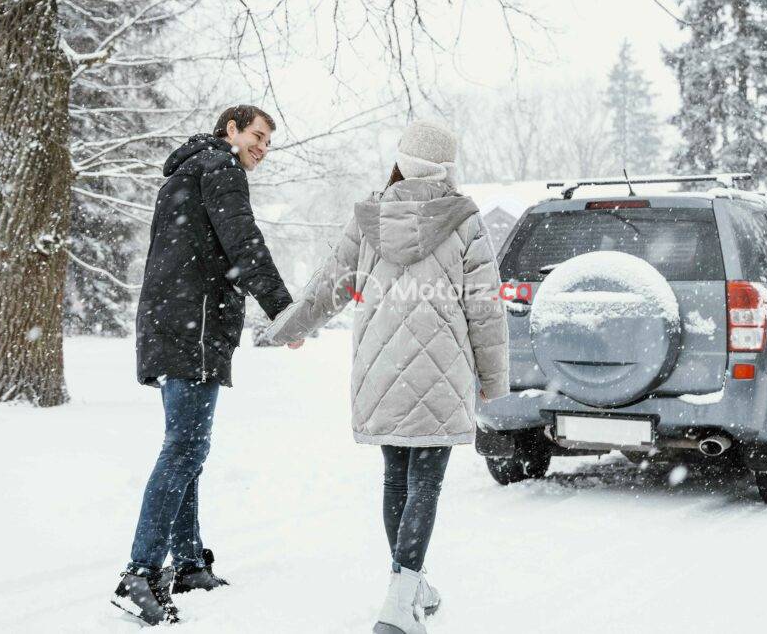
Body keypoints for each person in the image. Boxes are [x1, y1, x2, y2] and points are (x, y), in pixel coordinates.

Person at [262, 119, 509, 633]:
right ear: (445, 168)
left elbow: (329, 285)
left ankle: (411, 584)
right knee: (425, 481)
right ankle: (400, 605)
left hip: (381, 365)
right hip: (443, 367)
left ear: (402, 160)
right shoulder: (464, 219)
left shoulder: (369, 216)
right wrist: (493, 376)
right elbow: (485, 308)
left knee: (398, 474)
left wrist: (290, 327)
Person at [112, 105, 301, 625]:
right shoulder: (221, 168)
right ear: (232, 130)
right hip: (192, 326)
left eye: (268, 141)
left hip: (172, 324)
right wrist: (284, 310)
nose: (262, 147)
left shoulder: (188, 171)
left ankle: (189, 562)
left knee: (186, 444)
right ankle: (141, 572)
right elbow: (243, 244)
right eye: (257, 135)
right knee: (185, 447)